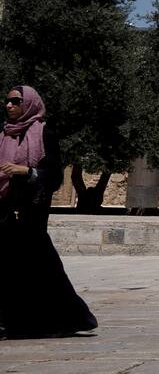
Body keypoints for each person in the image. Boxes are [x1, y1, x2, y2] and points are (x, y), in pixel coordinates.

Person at [0, 85, 97, 339]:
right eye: (7, 101)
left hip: (30, 211)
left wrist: (26, 172)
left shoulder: (44, 134)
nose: (9, 105)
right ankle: (12, 322)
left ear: (29, 103)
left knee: (42, 267)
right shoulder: (3, 134)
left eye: (15, 101)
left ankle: (70, 318)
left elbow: (54, 177)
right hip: (4, 209)